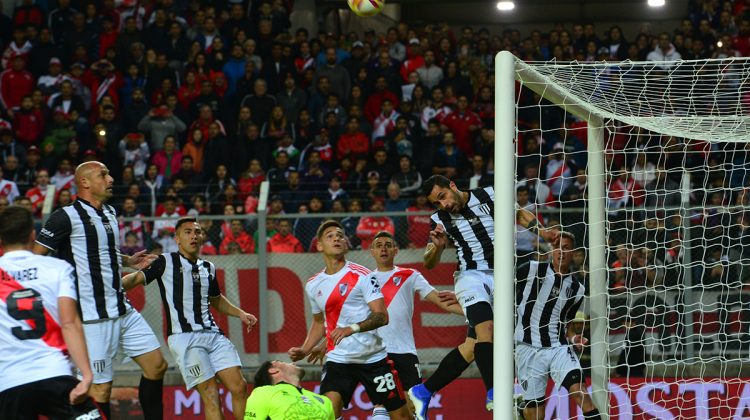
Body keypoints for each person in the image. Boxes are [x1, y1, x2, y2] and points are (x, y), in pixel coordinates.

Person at [33, 161, 167, 420]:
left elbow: (102, 250)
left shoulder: (109, 212)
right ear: (84, 182)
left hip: (122, 308)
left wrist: (127, 261)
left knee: (157, 366)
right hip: (92, 317)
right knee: (100, 389)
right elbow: (36, 258)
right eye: (103, 174)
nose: (110, 178)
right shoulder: (65, 216)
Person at [122, 217, 257, 420]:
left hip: (213, 335)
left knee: (239, 387)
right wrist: (110, 288)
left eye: (197, 232)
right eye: (187, 232)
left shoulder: (208, 267)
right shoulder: (165, 261)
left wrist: (241, 314)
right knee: (211, 394)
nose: (193, 235)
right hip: (184, 338)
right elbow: (135, 279)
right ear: (177, 238)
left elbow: (216, 299)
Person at [288, 220, 412, 420]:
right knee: (328, 412)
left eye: (340, 234)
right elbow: (319, 322)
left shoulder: (363, 275)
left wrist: (350, 329)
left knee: (402, 417)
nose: (337, 237)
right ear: (319, 245)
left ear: (346, 243)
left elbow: (381, 316)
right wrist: (305, 348)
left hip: (373, 359)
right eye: (330, 235)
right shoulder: (313, 284)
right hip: (339, 360)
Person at [408, 174, 503, 417]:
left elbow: (519, 215)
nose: (444, 205)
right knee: (487, 331)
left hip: (502, 277)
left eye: (443, 197)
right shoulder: (438, 220)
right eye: (437, 203)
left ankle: (423, 391)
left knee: (472, 347)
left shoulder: (489, 195)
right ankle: (495, 392)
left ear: (453, 185)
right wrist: (437, 248)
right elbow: (428, 262)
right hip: (472, 277)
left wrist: (543, 234)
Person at [0, 206, 101, 419]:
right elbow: (69, 323)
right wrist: (87, 376)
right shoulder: (57, 268)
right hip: (54, 373)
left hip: (8, 382)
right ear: (32, 234)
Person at [514, 210, 600, 420]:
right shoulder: (530, 270)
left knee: (582, 394)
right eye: (558, 247)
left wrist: (573, 337)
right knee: (536, 414)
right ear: (552, 250)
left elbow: (567, 322)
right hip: (527, 347)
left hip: (557, 347)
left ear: (574, 253)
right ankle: (521, 410)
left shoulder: (577, 289)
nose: (561, 251)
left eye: (567, 248)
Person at [367, 231, 463, 411]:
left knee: (412, 406)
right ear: (371, 252)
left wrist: (473, 314)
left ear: (396, 250)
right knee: (382, 407)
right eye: (379, 246)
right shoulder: (365, 280)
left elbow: (440, 300)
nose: (384, 249)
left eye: (388, 245)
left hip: (405, 352)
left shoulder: (410, 275)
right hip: (377, 353)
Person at [245, 360, 334, 420]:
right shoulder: (263, 393)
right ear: (273, 370)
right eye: (282, 362)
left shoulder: (324, 401)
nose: (292, 362)